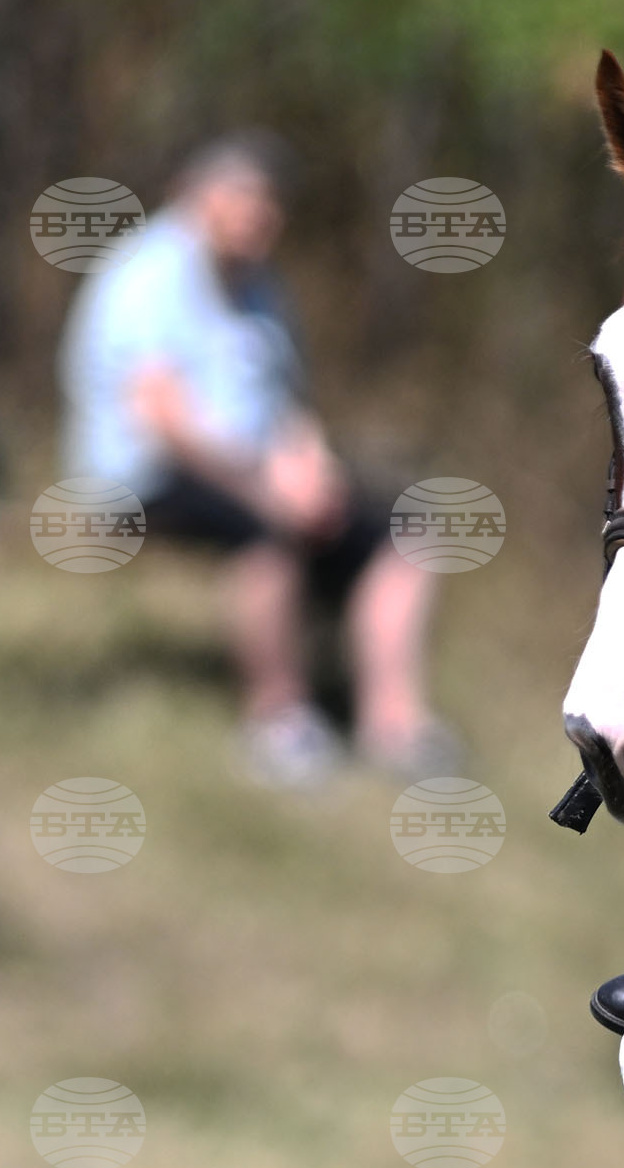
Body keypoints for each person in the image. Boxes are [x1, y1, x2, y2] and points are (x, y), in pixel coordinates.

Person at [58, 132, 456, 790]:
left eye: (270, 204)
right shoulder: (146, 274)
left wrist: (313, 469)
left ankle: (394, 724)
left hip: (248, 469)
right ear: (196, 194)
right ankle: (279, 721)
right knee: (264, 533)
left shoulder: (260, 283)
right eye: (245, 198)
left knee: (406, 531)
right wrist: (265, 488)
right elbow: (163, 421)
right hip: (141, 476)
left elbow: (286, 401)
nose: (260, 216)